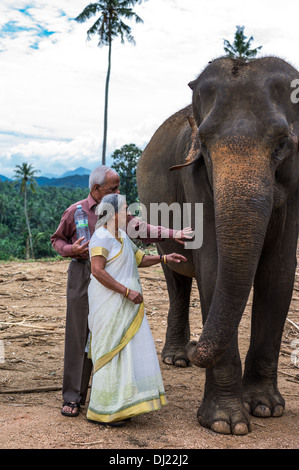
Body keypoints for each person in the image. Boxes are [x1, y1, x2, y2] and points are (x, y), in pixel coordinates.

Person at [50, 165, 193, 417]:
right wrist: (71, 250)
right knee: (79, 335)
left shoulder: (118, 212)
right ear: (96, 189)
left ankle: (109, 393)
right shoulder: (76, 212)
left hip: (112, 278)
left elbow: (143, 229)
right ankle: (73, 397)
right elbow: (57, 240)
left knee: (109, 331)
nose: (118, 191)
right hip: (85, 274)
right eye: (113, 188)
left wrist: (174, 235)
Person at [87, 194, 187, 426]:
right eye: (125, 210)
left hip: (127, 305)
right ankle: (104, 410)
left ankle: (123, 405)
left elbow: (139, 258)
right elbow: (97, 271)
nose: (129, 215)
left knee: (126, 351)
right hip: (110, 304)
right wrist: (125, 291)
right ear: (112, 214)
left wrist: (164, 258)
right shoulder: (101, 237)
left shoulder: (121, 236)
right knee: (111, 351)